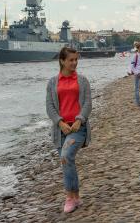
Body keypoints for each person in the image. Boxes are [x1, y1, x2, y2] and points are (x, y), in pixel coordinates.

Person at [46, 47, 92, 213]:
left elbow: (87, 103)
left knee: (65, 157)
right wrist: (59, 123)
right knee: (67, 162)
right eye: (71, 60)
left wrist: (80, 120)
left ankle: (69, 198)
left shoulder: (82, 80)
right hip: (61, 130)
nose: (74, 63)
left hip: (78, 128)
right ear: (62, 61)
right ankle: (76, 196)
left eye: (76, 59)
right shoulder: (52, 82)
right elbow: (49, 106)